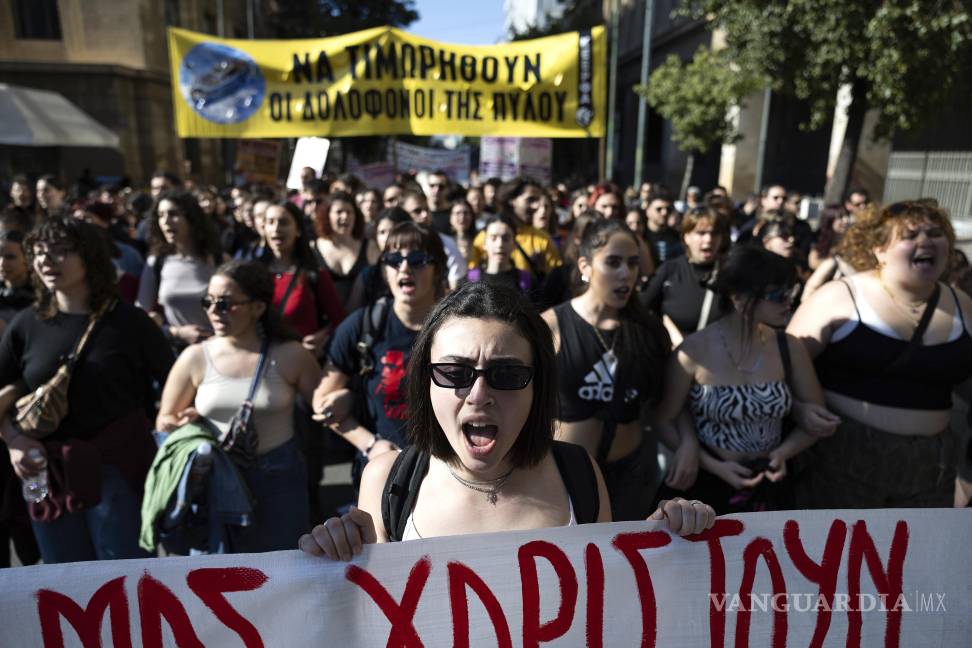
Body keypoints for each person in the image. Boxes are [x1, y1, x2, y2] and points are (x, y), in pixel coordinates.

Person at [299, 281, 716, 558]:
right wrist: (330, 558)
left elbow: (603, 601)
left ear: (538, 387)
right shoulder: (387, 480)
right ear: (425, 381)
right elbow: (369, 613)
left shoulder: (579, 475)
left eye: (508, 375)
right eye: (454, 373)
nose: (479, 395)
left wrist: (667, 544)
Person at [0, 218, 174, 563]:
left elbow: (174, 385)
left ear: (90, 258)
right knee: (64, 584)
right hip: (47, 474)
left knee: (124, 580)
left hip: (119, 473)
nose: (46, 260)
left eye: (61, 251)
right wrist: (14, 442)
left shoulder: (130, 323)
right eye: (38, 252)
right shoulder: (26, 324)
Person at [788, 200, 972, 508]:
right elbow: (778, 365)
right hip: (841, 459)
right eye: (909, 236)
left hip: (930, 468)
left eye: (935, 233)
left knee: (913, 555)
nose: (925, 241)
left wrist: (966, 476)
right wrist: (797, 408)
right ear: (878, 250)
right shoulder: (839, 297)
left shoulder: (964, 305)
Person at [156, 260, 321, 552]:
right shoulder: (194, 357)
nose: (213, 311)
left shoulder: (290, 355)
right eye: (208, 302)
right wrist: (183, 423)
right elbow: (164, 421)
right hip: (215, 483)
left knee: (284, 575)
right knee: (216, 580)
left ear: (258, 308)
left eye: (226, 303)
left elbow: (325, 409)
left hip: (279, 483)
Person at [654, 246, 829, 513]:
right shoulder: (694, 351)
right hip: (705, 488)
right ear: (739, 298)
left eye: (790, 293)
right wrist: (705, 460)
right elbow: (664, 418)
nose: (788, 302)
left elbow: (816, 422)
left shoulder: (788, 347)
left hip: (769, 487)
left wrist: (782, 454)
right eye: (777, 295)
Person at [541, 219, 672, 520]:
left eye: (633, 263)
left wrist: (687, 444)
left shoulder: (648, 331)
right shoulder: (550, 326)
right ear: (585, 266)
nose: (626, 273)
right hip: (562, 480)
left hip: (629, 477)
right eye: (613, 262)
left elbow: (662, 405)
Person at [313, 222, 448, 478]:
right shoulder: (363, 325)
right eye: (394, 259)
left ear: (437, 268)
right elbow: (322, 402)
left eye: (417, 259)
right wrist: (370, 444)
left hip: (446, 474)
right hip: (383, 473)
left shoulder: (458, 327)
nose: (404, 267)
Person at [137, 190, 223, 352]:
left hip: (219, 351)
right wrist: (176, 332)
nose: (166, 221)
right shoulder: (156, 263)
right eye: (160, 215)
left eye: (173, 214)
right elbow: (141, 318)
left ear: (191, 218)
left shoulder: (218, 260)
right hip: (177, 354)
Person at [641, 207, 731, 347]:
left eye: (714, 233)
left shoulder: (731, 274)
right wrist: (664, 331)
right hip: (675, 359)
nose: (708, 239)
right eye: (701, 233)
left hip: (718, 362)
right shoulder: (670, 270)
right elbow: (641, 308)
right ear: (686, 236)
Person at [313, 192, 369, 310]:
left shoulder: (370, 247)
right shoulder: (313, 248)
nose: (345, 216)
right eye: (339, 212)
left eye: (349, 212)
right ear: (327, 215)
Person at [467, 213, 533, 296]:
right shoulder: (470, 279)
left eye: (506, 239)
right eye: (493, 238)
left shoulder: (525, 280)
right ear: (484, 244)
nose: (500, 244)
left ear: (514, 244)